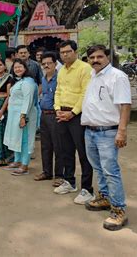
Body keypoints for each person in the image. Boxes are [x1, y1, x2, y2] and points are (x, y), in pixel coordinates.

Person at [82, 45, 131, 231]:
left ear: (107, 57)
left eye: (99, 56)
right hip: (91, 130)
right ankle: (104, 197)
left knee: (111, 170)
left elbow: (125, 105)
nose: (95, 60)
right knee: (98, 168)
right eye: (91, 57)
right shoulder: (93, 75)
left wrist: (122, 130)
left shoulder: (117, 76)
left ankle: (119, 210)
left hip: (108, 131)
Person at [54, 40, 94, 205]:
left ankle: (87, 189)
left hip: (77, 115)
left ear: (75, 52)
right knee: (66, 151)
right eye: (62, 52)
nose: (65, 55)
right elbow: (58, 90)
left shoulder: (85, 68)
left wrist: (72, 113)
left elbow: (85, 93)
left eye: (68, 51)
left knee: (84, 153)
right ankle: (70, 182)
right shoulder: (61, 70)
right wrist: (57, 109)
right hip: (62, 113)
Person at [3, 59, 39, 176]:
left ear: (25, 68)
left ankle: (25, 165)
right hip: (14, 114)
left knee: (25, 140)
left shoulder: (28, 82)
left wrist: (23, 116)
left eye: (20, 67)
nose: (17, 69)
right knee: (16, 138)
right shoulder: (18, 81)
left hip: (24, 115)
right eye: (15, 67)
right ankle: (17, 161)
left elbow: (27, 101)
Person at [34, 52, 63, 185]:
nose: (46, 65)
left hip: (55, 115)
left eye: (49, 63)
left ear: (55, 64)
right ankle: (46, 172)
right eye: (44, 63)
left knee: (58, 145)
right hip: (44, 115)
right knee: (45, 145)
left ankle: (59, 175)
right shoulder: (44, 78)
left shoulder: (60, 78)